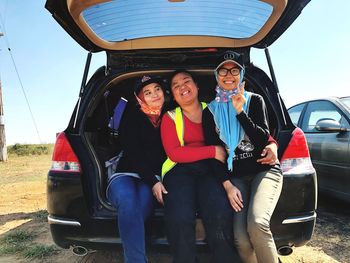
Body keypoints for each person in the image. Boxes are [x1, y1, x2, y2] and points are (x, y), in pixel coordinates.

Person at [202, 50, 283, 263]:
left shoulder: (255, 101)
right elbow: (215, 154)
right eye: (223, 70)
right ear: (216, 75)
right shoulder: (209, 111)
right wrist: (228, 186)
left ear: (242, 73)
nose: (229, 75)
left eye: (234, 69)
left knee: (257, 224)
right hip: (236, 177)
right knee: (241, 239)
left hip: (264, 171)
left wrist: (240, 112)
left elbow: (262, 141)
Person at [160, 70, 240, 263]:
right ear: (172, 94)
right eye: (176, 86)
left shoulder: (215, 110)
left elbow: (240, 131)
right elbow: (174, 153)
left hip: (211, 170)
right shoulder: (170, 117)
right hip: (178, 170)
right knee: (180, 217)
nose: (182, 88)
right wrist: (212, 151)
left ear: (196, 86)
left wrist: (271, 143)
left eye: (186, 82)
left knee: (219, 212)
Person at [106, 75, 168, 263]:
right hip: (126, 174)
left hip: (152, 178)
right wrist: (154, 182)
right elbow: (134, 154)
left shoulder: (172, 115)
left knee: (137, 208)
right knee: (127, 200)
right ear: (139, 98)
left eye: (157, 89)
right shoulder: (131, 117)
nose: (154, 94)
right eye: (147, 92)